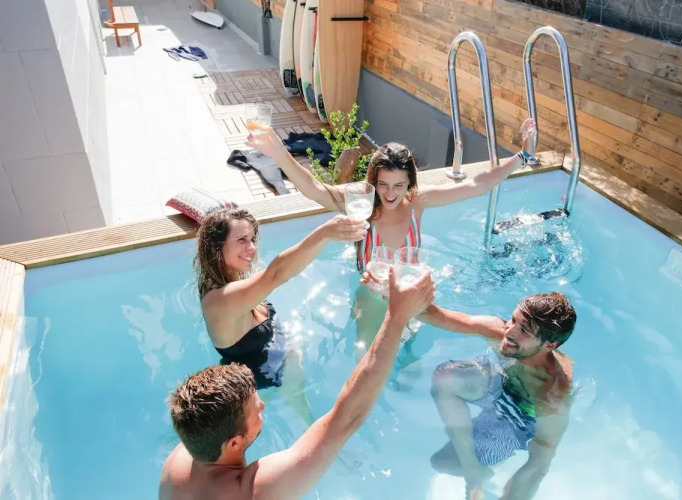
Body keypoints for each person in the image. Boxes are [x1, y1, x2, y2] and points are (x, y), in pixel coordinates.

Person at [247, 119, 538, 351]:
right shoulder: (361, 204)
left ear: (410, 183)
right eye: (383, 184)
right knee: (366, 353)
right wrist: (278, 152)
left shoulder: (417, 202)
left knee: (409, 357)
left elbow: (476, 185)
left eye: (399, 185)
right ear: (373, 181)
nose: (389, 193)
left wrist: (522, 156)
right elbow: (313, 189)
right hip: (370, 293)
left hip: (410, 290)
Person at [159, 268, 436, 500]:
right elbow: (347, 417)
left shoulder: (179, 460)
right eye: (255, 409)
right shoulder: (254, 491)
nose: (262, 405)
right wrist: (397, 317)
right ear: (233, 443)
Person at [194, 208, 366, 424]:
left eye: (252, 239)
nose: (252, 248)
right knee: (307, 421)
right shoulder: (219, 301)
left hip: (273, 360)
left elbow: (279, 274)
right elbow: (276, 274)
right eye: (242, 240)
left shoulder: (226, 277)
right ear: (216, 247)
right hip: (264, 377)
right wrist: (324, 233)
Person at [420, 292, 577, 499]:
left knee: (443, 462)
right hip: (496, 378)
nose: (509, 331)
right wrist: (395, 293)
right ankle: (473, 470)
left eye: (524, 330)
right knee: (445, 376)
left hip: (517, 415)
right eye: (513, 319)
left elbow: (538, 464)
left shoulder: (551, 393)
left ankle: (476, 472)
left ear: (550, 345)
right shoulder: (501, 332)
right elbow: (436, 315)